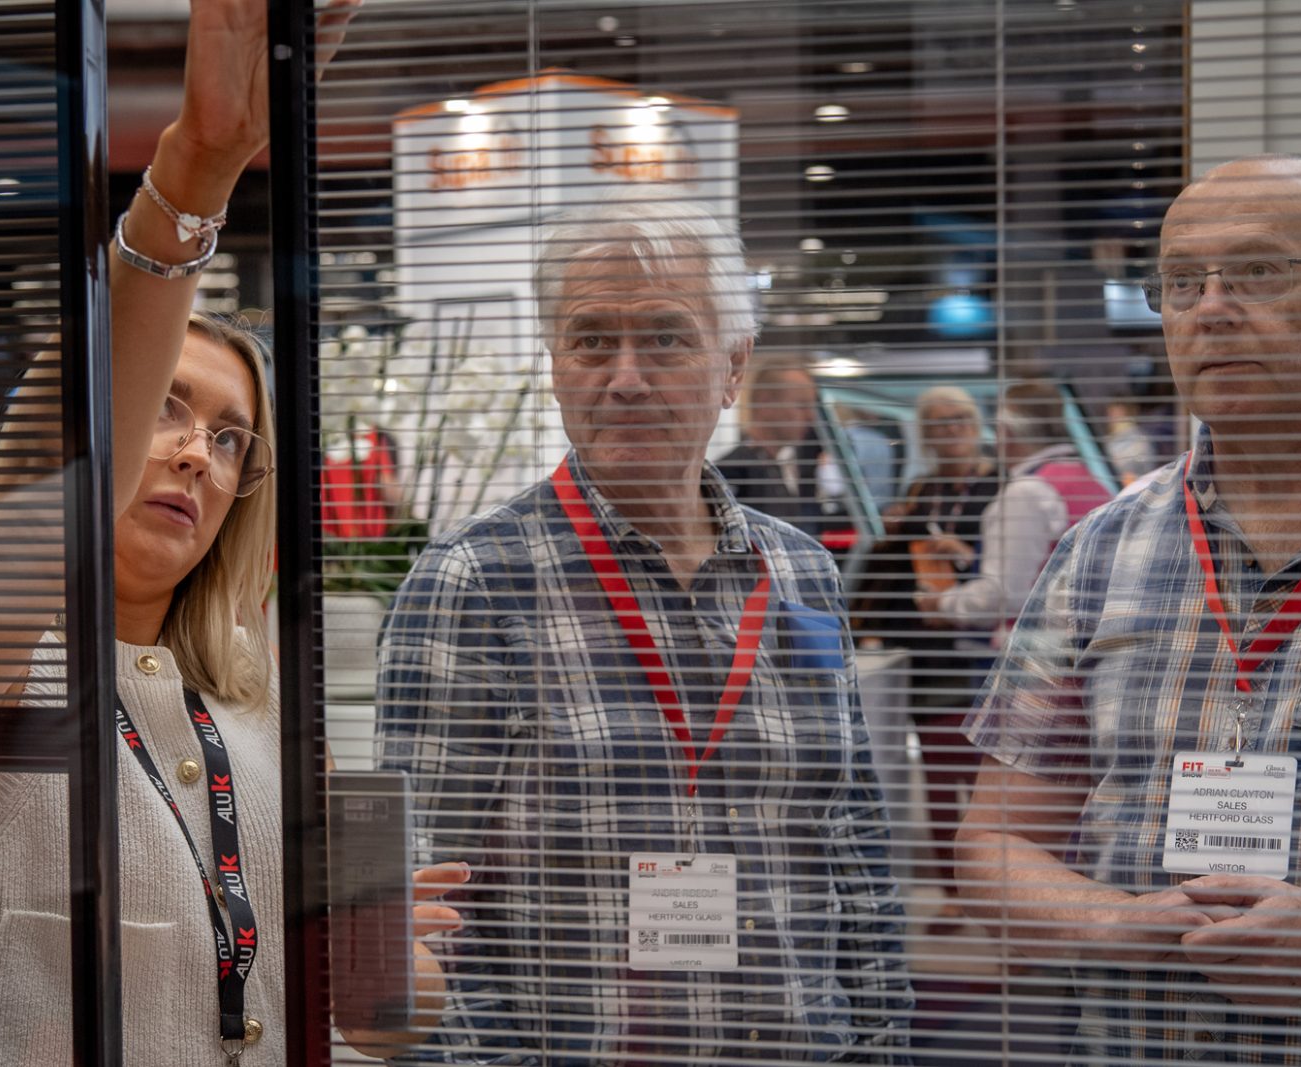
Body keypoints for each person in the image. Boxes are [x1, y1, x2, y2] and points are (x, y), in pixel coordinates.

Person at [0, 1, 464, 1063]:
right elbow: (40, 495)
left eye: (230, 440)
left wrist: (391, 985)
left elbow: (359, 1023)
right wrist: (197, 171)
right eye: (164, 410)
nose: (194, 455)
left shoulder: (264, 711)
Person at [375, 191, 912, 1064]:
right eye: (591, 341)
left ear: (733, 367)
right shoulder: (472, 582)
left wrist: (882, 1045)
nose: (625, 377)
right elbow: (426, 899)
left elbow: (852, 846)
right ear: (556, 366)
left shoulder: (801, 573)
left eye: (665, 337)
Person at [956, 154, 1301, 1062]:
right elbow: (995, 840)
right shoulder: (1102, 547)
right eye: (1181, 281)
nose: (1211, 308)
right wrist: (1112, 920)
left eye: (1260, 271)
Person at [852, 386, 998, 919]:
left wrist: (967, 554)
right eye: (936, 423)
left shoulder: (1003, 487)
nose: (949, 430)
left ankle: (996, 891)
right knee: (938, 780)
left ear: (976, 424)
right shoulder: (921, 490)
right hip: (929, 652)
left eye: (958, 418)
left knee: (985, 782)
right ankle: (953, 895)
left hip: (985, 653)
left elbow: (1017, 573)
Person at [915, 379, 1111, 647]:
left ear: (1007, 431)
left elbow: (1002, 596)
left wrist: (941, 603)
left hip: (1032, 652)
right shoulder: (1088, 481)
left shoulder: (1026, 492)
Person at [716, 356, 828, 537]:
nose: (811, 417)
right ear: (765, 402)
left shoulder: (777, 468)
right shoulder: (733, 472)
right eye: (801, 405)